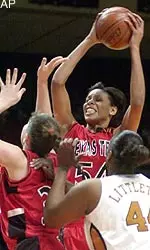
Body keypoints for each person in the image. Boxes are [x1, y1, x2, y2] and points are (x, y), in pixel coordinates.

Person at [50, 10, 145, 250]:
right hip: (70, 220)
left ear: (113, 110)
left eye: (98, 100)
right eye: (87, 99)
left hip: (105, 221)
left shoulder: (118, 137)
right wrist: (90, 39)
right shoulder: (72, 130)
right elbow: (58, 83)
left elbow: (137, 103)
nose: (89, 102)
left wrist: (134, 48)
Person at [44, 130, 150, 249]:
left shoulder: (94, 188)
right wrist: (60, 180)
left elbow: (51, 219)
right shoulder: (147, 183)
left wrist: (62, 169)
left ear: (109, 156)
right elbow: (97, 198)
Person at [0, 67, 65, 249]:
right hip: (57, 243)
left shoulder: (19, 161)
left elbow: (43, 123)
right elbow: (44, 122)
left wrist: (3, 101)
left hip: (30, 245)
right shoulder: (55, 159)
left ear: (26, 137)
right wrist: (42, 82)